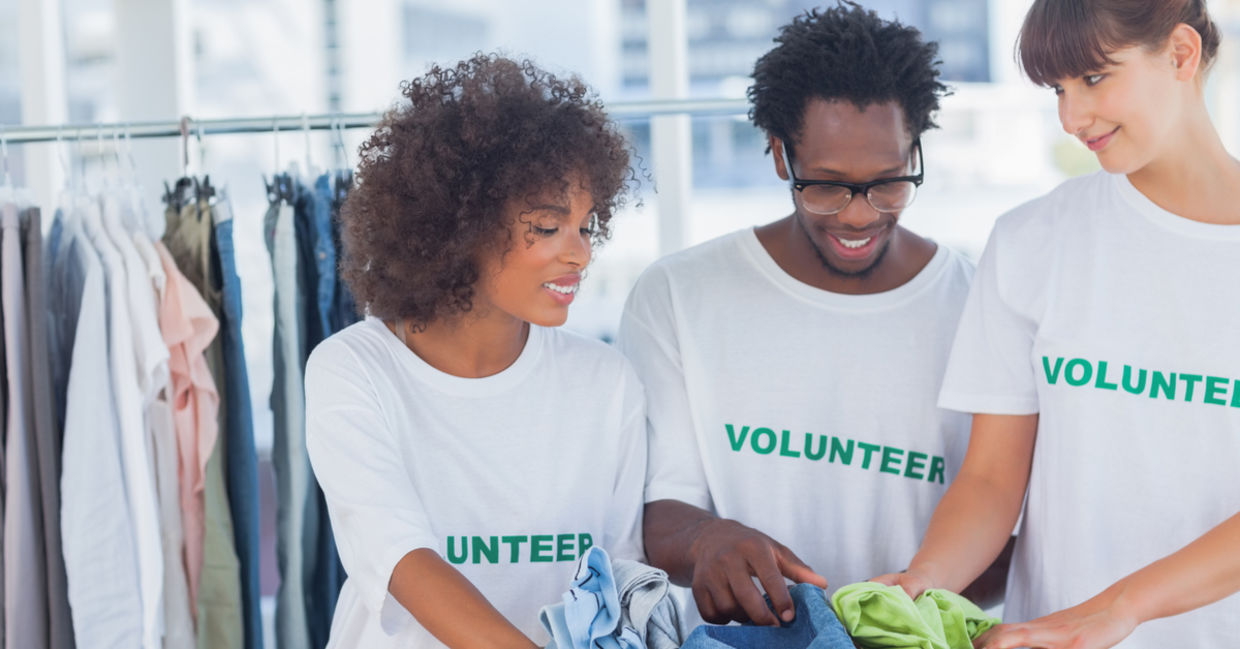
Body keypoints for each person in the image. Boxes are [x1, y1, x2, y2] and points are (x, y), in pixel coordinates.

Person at [873, 1, 1240, 648]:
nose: (1071, 117)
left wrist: (1122, 606)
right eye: (1057, 90)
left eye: (1094, 79)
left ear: (1181, 54)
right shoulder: (1030, 242)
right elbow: (990, 479)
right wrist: (922, 584)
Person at [616, 1, 992, 628]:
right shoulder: (678, 295)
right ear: (779, 155)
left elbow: (1001, 517)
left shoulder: (975, 302)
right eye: (825, 185)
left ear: (915, 150)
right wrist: (709, 541)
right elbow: (657, 511)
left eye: (889, 182)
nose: (858, 215)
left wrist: (899, 615)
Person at [304, 54, 646, 649]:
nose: (581, 254)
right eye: (547, 226)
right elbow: (402, 559)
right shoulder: (353, 370)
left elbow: (618, 585)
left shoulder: (607, 384)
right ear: (459, 224)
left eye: (586, 227)